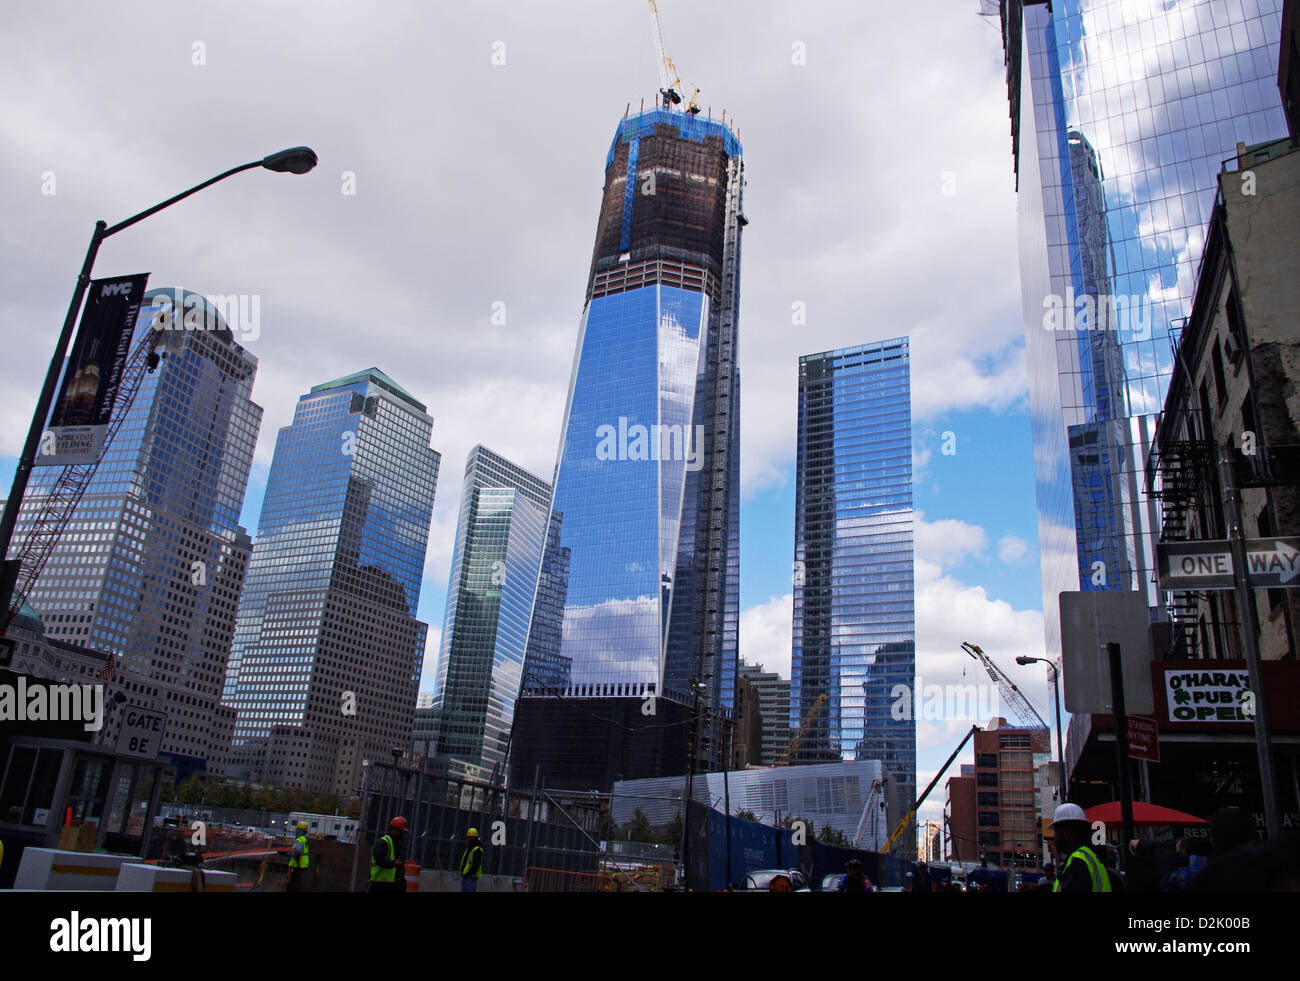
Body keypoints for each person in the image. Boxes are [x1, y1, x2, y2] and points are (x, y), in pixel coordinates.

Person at [1050, 803, 1112, 893]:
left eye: (1056, 832)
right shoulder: (1090, 857)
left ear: (1067, 832)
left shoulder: (1078, 863)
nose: (1054, 837)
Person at [369, 816, 407, 893]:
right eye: (401, 832)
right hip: (379, 883)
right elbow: (380, 860)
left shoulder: (395, 844)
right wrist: (394, 863)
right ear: (394, 829)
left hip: (390, 884)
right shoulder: (383, 843)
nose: (402, 835)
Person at [458, 826, 484, 892]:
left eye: (470, 838)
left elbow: (476, 864)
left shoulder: (477, 849)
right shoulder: (470, 848)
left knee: (470, 890)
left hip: (471, 876)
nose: (468, 840)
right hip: (466, 875)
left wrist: (470, 873)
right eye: (468, 837)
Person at [287, 820, 310, 893]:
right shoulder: (304, 839)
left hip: (298, 865)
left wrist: (288, 854)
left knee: (292, 884)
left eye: (297, 830)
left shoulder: (299, 840)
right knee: (296, 882)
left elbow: (297, 852)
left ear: (300, 831)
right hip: (303, 864)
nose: (296, 832)